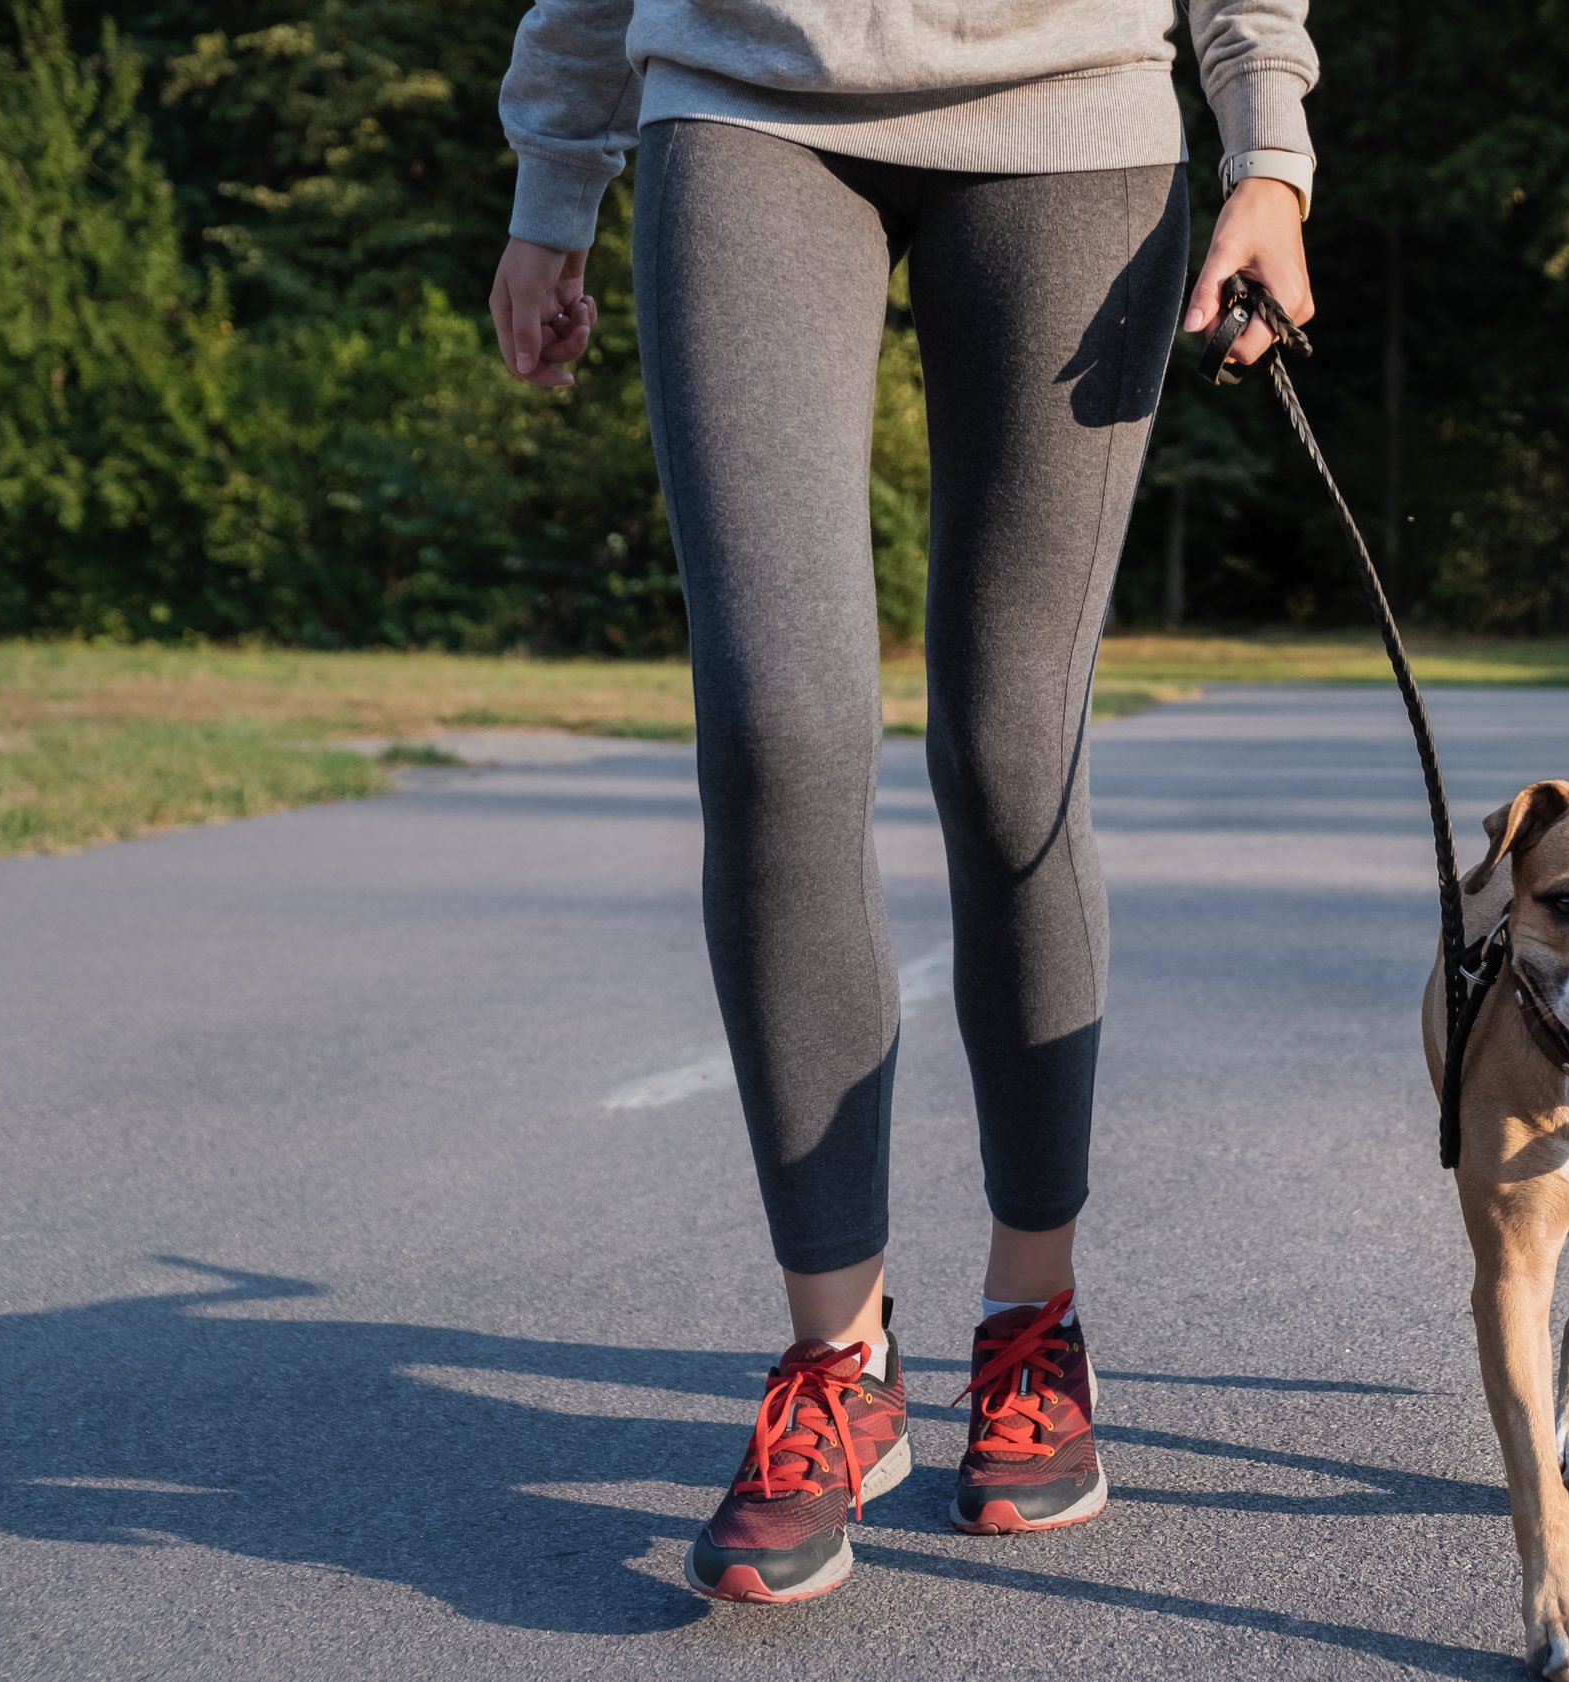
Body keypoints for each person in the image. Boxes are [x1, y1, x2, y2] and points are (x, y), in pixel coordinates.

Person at [490, 1, 1318, 1604]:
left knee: (1013, 744)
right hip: (743, 99)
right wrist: (551, 181)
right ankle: (837, 1361)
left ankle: (1030, 1327)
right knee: (778, 728)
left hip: (1074, 112)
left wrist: (1266, 150)